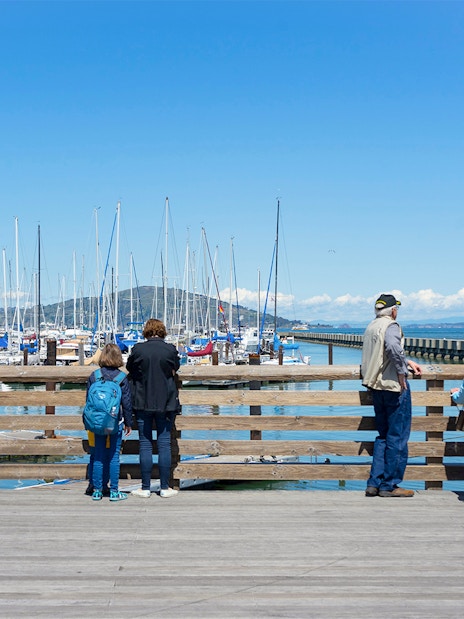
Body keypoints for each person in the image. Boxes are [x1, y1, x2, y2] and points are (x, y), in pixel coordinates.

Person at [361, 293, 422, 497]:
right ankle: (390, 485)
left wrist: (407, 362)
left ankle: (374, 483)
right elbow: (394, 348)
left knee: (383, 437)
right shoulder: (392, 326)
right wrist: (402, 372)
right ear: (393, 310)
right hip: (394, 387)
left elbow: (381, 354)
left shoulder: (371, 326)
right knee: (398, 437)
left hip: (376, 387)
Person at [126, 318, 181, 498]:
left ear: (146, 331)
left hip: (142, 402)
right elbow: (176, 368)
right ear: (162, 331)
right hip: (166, 403)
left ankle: (145, 487)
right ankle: (165, 487)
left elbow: (130, 368)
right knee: (164, 444)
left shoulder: (138, 350)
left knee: (145, 443)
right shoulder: (170, 350)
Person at [86, 343, 132, 501]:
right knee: (114, 456)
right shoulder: (121, 378)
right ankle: (114, 491)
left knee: (98, 455)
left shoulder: (94, 375)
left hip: (97, 422)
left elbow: (88, 402)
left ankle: (97, 491)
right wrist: (128, 422)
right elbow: (126, 403)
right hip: (115, 421)